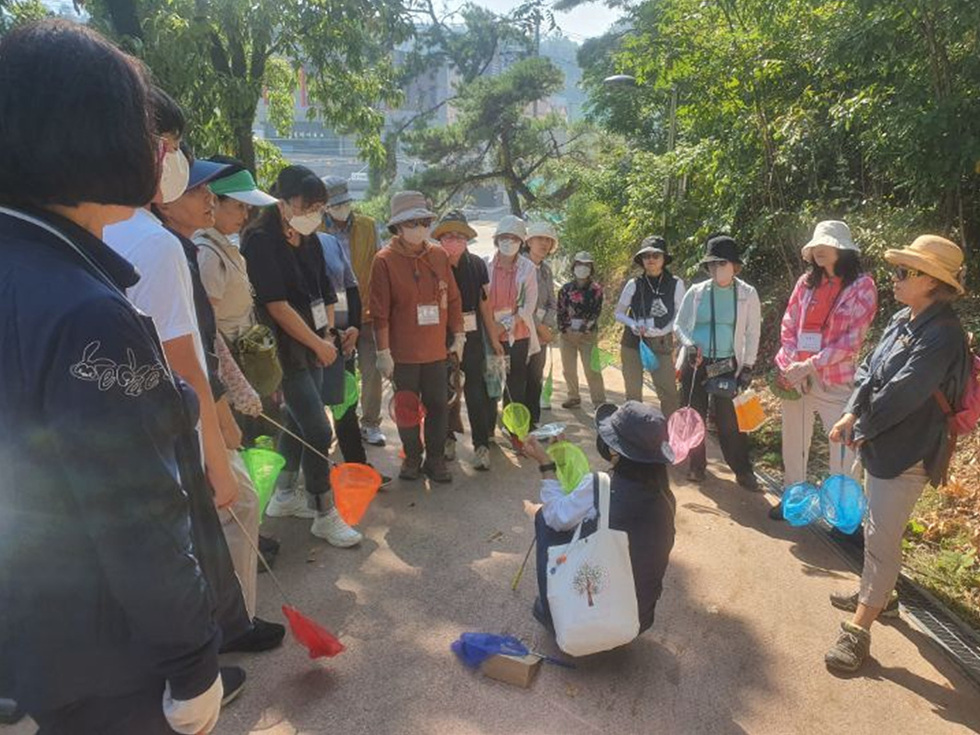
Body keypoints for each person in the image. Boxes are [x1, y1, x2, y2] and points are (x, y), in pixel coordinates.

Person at [0, 20, 223, 733]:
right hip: (111, 660)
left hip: (38, 639)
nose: (164, 153)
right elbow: (136, 513)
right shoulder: (86, 310)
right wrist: (193, 660)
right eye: (151, 131)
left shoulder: (25, 266)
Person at [103, 88, 251, 693]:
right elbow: (183, 361)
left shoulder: (93, 233)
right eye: (173, 149)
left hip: (117, 429)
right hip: (169, 426)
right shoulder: (159, 245)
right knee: (192, 545)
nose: (181, 162)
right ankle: (195, 679)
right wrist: (216, 458)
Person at [157, 155, 286, 653]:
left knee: (235, 502)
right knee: (234, 500)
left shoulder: (197, 247)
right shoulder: (182, 251)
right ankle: (231, 621)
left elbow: (205, 340)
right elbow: (195, 347)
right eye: (203, 194)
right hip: (191, 402)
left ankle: (234, 615)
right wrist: (225, 409)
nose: (213, 205)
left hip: (216, 386)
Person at [824, 235, 970, 673]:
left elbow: (906, 393)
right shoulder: (903, 318)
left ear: (931, 281)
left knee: (883, 538)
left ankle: (858, 631)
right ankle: (880, 596)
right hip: (879, 441)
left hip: (907, 450)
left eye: (904, 272)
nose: (895, 278)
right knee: (877, 529)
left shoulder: (943, 334)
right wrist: (853, 413)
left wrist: (862, 427)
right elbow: (869, 369)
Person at [242, 166, 363, 547]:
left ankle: (283, 494)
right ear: (285, 200)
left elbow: (325, 291)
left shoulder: (311, 238)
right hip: (284, 348)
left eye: (320, 206)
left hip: (315, 341)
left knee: (298, 417)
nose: (316, 212)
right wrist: (315, 342)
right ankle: (323, 512)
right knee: (317, 427)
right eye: (309, 205)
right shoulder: (260, 240)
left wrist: (328, 334)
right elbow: (276, 306)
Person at [525, 401, 676, 637]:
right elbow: (602, 503)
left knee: (545, 519)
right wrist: (565, 458)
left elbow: (557, 516)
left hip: (586, 624)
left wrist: (547, 464)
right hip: (637, 620)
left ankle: (553, 610)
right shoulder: (665, 496)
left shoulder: (598, 487)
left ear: (615, 450)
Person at [770, 221, 878, 521]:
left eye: (825, 245)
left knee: (843, 449)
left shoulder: (862, 286)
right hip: (797, 377)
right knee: (793, 441)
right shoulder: (806, 282)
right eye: (815, 245)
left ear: (841, 249)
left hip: (835, 379)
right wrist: (793, 364)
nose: (819, 250)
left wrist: (810, 365)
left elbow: (851, 341)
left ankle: (843, 514)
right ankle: (792, 498)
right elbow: (789, 323)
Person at [370, 191, 464, 482]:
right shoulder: (384, 261)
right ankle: (412, 457)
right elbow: (380, 313)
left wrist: (458, 334)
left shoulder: (438, 256)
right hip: (404, 354)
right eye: (412, 223)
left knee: (438, 406)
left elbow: (456, 299)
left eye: (424, 221)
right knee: (408, 408)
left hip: (436, 351)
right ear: (398, 227)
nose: (420, 228)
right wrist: (383, 353)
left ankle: (435, 460)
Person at [675, 234, 761, 488]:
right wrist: (689, 345)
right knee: (694, 415)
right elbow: (679, 324)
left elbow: (752, 331)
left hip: (726, 364)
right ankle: (696, 465)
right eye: (712, 264)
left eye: (722, 263)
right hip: (696, 362)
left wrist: (748, 365)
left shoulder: (747, 294)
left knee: (729, 421)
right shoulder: (697, 292)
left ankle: (742, 470)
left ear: (735, 265)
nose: (716, 269)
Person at [317, 217, 392, 485]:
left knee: (344, 403)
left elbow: (351, 286)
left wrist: (354, 327)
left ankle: (357, 468)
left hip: (341, 336)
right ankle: (308, 483)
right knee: (309, 414)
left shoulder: (330, 243)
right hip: (305, 341)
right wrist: (319, 336)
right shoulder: (282, 246)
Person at [434, 209, 503, 470]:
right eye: (448, 236)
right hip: (442, 335)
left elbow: (485, 305)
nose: (453, 241)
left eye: (459, 236)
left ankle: (481, 445)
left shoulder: (476, 265)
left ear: (466, 239)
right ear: (440, 238)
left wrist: (494, 338)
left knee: (476, 390)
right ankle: (447, 439)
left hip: (472, 335)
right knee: (445, 391)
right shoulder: (433, 264)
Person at [321, 176, 386, 447]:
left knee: (372, 370)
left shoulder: (368, 227)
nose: (341, 208)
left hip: (368, 310)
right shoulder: (314, 231)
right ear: (325, 207)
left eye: (345, 203)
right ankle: (340, 422)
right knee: (339, 373)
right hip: (333, 316)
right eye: (336, 204)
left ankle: (370, 423)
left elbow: (380, 265)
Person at [615, 236, 685, 417]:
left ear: (663, 258)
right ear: (642, 260)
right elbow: (619, 312)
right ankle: (635, 430)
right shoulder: (634, 283)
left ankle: (673, 433)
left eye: (656, 255)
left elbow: (680, 314)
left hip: (661, 342)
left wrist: (665, 329)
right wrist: (632, 324)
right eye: (646, 256)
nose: (651, 259)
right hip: (633, 342)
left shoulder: (676, 283)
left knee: (669, 392)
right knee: (633, 392)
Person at [485, 215, 540, 432]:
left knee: (516, 383)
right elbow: (481, 301)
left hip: (518, 334)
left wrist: (506, 325)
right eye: (504, 237)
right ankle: (488, 429)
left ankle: (514, 428)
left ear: (521, 241)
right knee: (491, 382)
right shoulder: (484, 264)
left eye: (514, 238)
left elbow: (528, 306)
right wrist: (493, 330)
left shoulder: (527, 268)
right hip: (490, 336)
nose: (509, 242)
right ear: (496, 239)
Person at [557, 251, 607, 409]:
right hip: (567, 335)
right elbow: (560, 311)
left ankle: (599, 402)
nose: (582, 268)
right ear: (574, 266)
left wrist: (582, 330)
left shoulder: (596, 290)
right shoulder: (565, 289)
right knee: (568, 369)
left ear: (591, 268)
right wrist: (567, 330)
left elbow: (595, 312)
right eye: (579, 264)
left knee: (592, 368)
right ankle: (573, 396)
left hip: (588, 335)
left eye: (586, 265)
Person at [524, 221, 560, 428]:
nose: (544, 243)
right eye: (540, 239)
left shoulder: (546, 270)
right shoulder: (519, 265)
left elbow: (552, 302)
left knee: (535, 377)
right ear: (529, 241)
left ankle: (534, 420)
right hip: (521, 331)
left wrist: (546, 325)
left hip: (542, 334)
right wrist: (539, 327)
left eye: (548, 240)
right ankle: (516, 423)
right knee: (518, 377)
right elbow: (520, 303)